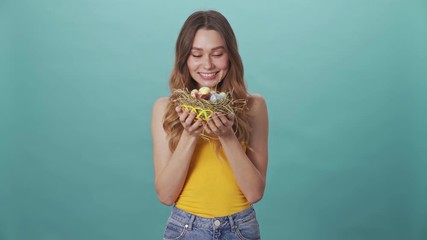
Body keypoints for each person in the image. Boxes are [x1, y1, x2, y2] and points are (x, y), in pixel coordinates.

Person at [151, 10, 269, 240]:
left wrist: (227, 136)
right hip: (185, 228)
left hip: (240, 229)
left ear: (230, 56)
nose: (207, 64)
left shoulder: (253, 106)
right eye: (196, 54)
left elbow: (255, 193)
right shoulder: (165, 108)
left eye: (217, 54)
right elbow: (166, 196)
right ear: (184, 58)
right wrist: (189, 135)